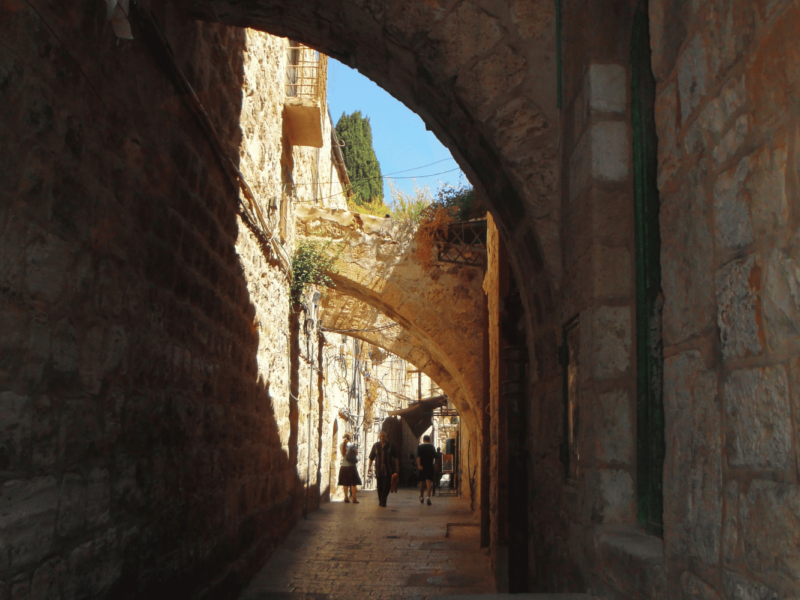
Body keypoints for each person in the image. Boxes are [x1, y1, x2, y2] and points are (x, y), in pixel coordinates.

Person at [368, 431, 399, 507]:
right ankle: (381, 501)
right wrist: (369, 467)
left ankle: (383, 500)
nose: (382, 438)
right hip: (378, 470)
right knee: (380, 486)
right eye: (381, 436)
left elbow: (396, 457)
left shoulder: (390, 446)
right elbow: (371, 457)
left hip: (388, 469)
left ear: (386, 437)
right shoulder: (375, 446)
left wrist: (397, 466)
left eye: (383, 436)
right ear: (379, 437)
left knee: (387, 486)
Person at [337, 433, 361, 504]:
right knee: (353, 484)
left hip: (344, 466)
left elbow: (343, 453)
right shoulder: (352, 445)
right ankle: (354, 498)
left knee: (345, 483)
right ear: (350, 438)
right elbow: (356, 453)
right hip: (351, 466)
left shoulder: (341, 445)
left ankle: (346, 498)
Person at [416, 434, 437, 505]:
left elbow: (418, 456)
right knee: (429, 483)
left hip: (422, 467)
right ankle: (428, 497)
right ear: (429, 440)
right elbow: (436, 456)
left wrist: (419, 465)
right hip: (430, 466)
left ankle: (421, 496)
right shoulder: (432, 447)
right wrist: (436, 465)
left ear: (423, 440)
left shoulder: (420, 447)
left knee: (422, 483)